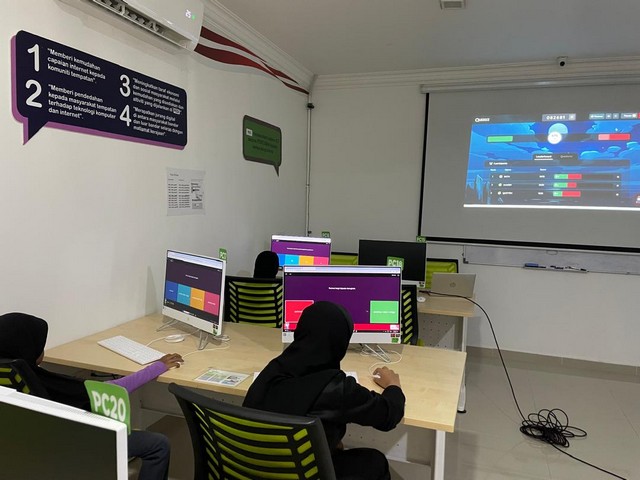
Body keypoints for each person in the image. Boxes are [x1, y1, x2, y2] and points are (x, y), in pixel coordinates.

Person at [0, 312, 183, 480]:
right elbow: (111, 390)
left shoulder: (11, 374)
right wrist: (157, 367)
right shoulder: (44, 381)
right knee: (158, 444)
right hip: (71, 443)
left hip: (27, 447)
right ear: (28, 347)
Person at [243, 301, 405, 480]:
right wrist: (393, 386)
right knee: (375, 461)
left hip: (251, 470)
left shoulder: (273, 369)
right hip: (303, 473)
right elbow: (388, 415)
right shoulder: (336, 388)